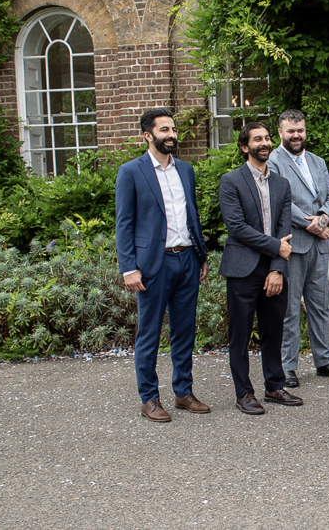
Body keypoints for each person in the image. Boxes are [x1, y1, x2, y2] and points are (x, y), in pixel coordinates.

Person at [116, 107, 211, 422]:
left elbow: (191, 216)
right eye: (164, 130)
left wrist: (201, 256)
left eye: (173, 129)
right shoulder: (131, 171)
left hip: (186, 259)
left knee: (185, 331)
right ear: (148, 135)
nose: (171, 135)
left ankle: (183, 392)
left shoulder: (185, 169)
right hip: (153, 264)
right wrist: (129, 268)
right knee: (150, 333)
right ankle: (150, 398)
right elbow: (124, 223)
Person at [219, 122, 304, 415]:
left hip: (273, 268)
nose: (265, 143)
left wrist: (278, 268)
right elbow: (237, 228)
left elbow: (285, 231)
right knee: (240, 335)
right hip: (242, 268)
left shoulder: (282, 184)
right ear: (245, 147)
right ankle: (244, 392)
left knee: (273, 331)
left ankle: (274, 386)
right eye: (258, 139)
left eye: (267, 138)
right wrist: (276, 248)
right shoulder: (231, 181)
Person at [268, 109, 329, 385]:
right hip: (294, 245)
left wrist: (324, 219)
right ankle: (287, 367)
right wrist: (312, 224)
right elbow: (280, 201)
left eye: (300, 130)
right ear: (280, 132)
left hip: (320, 246)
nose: (296, 135)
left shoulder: (317, 161)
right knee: (289, 310)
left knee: (319, 305)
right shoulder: (274, 161)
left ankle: (323, 361)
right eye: (290, 131)